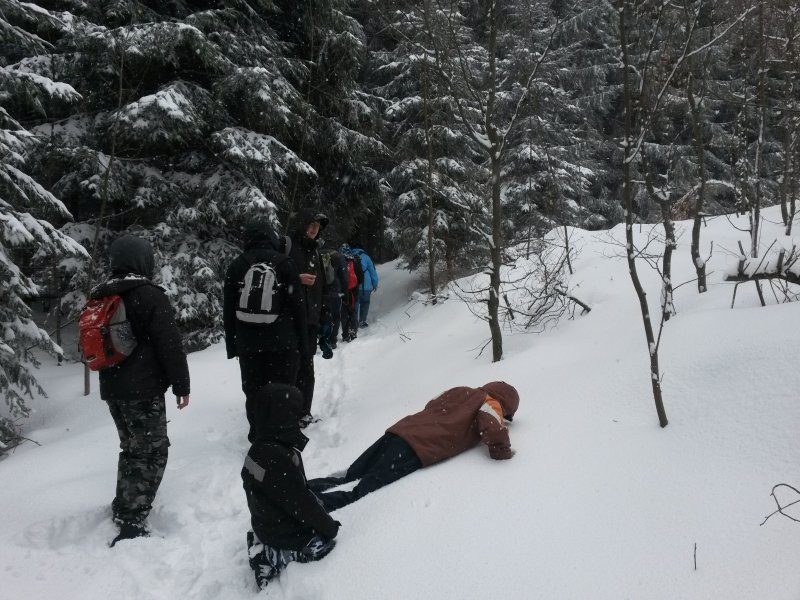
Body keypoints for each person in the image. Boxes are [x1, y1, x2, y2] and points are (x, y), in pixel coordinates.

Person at [88, 234, 191, 546]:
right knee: (152, 452)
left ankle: (125, 503)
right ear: (143, 260)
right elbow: (169, 344)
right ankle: (131, 520)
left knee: (132, 449)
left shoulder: (101, 293)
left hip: (112, 389)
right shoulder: (149, 295)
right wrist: (181, 384)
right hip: (142, 390)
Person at [308, 381, 519, 512]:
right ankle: (313, 506)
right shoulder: (490, 403)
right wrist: (503, 452)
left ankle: (304, 488)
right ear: (506, 404)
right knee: (363, 490)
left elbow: (431, 404)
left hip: (399, 431)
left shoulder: (460, 389)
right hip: (416, 447)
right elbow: (493, 429)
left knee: (352, 474)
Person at [242, 383, 340, 590]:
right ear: (282, 419)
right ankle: (270, 557)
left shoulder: (260, 446)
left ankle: (260, 540)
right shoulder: (276, 457)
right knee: (320, 545)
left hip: (264, 520)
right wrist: (329, 528)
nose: (298, 420)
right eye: (294, 414)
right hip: (280, 528)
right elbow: (301, 504)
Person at [223, 218, 310, 443]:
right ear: (271, 237)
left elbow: (228, 311)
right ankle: (281, 438)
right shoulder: (285, 263)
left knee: (254, 391)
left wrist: (233, 347)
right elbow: (299, 308)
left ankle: (258, 436)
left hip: (249, 345)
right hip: (283, 343)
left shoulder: (237, 266)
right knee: (283, 390)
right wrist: (304, 344)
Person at [286, 210, 329, 426]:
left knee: (307, 368)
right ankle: (288, 414)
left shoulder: (316, 251)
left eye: (318, 226)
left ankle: (304, 412)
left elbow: (322, 285)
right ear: (303, 224)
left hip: (310, 321)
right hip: (290, 321)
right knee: (291, 369)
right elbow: (276, 278)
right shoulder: (288, 246)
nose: (314, 229)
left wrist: (324, 316)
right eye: (311, 224)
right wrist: (296, 279)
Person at [319, 247, 349, 354]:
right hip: (336, 291)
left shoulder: (317, 254)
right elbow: (344, 278)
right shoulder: (339, 256)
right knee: (336, 316)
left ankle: (323, 338)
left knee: (324, 315)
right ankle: (332, 340)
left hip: (322, 292)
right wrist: (345, 294)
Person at [349, 244, 378, 328]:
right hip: (366, 285)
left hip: (354, 285)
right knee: (365, 303)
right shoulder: (366, 257)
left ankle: (354, 322)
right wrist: (375, 284)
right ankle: (362, 321)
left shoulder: (350, 256)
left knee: (355, 303)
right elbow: (372, 272)